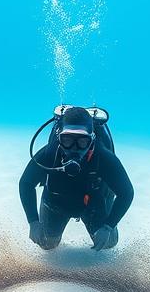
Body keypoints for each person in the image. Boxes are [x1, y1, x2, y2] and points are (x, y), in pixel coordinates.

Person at [19, 106, 134, 251]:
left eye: (82, 141)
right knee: (47, 244)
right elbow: (26, 183)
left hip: (94, 204)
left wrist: (108, 226)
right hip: (56, 203)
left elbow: (127, 192)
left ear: (91, 139)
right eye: (67, 140)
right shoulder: (50, 153)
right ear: (59, 137)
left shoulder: (103, 158)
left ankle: (107, 223)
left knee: (108, 244)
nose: (74, 148)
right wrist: (33, 222)